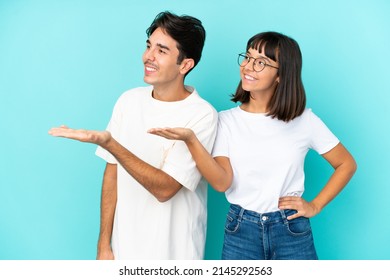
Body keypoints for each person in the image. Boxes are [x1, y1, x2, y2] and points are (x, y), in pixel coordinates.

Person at [148, 31, 357, 260]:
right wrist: (191, 140)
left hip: (290, 230)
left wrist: (315, 206)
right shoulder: (225, 121)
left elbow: (346, 164)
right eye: (247, 57)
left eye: (261, 63)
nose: (248, 66)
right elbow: (221, 182)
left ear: (281, 75)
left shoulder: (303, 120)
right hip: (241, 231)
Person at [48, 11, 217, 260]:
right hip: (123, 251)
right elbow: (112, 174)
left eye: (161, 50)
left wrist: (111, 144)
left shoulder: (202, 115)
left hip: (174, 255)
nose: (148, 56)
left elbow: (165, 189)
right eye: (149, 46)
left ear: (185, 64)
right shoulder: (128, 101)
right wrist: (104, 245)